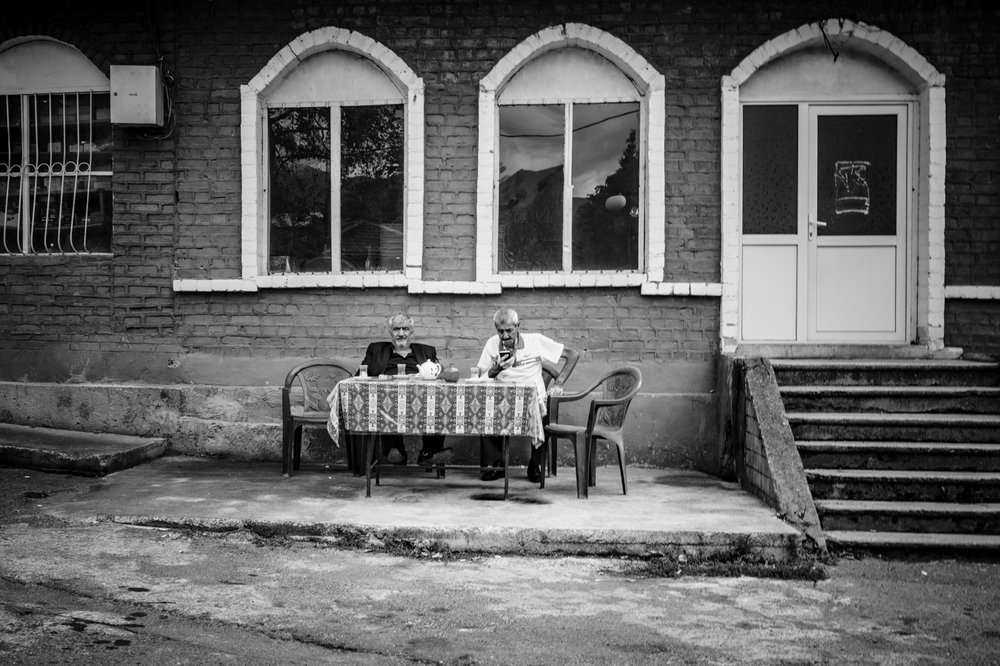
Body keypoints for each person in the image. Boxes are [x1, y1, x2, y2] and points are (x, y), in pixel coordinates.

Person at [476, 308, 569, 482]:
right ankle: (497, 465)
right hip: (502, 400)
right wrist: (496, 369)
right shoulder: (491, 344)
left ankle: (535, 465)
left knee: (541, 410)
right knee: (484, 408)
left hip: (533, 401)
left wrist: (559, 382)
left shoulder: (535, 341)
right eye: (500, 331)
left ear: (518, 326)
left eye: (509, 330)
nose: (504, 336)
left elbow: (572, 355)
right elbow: (480, 376)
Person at [357, 312, 450, 468]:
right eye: (396, 329)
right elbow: (361, 375)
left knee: (438, 399)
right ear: (390, 333)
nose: (401, 333)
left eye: (405, 329)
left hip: (421, 399)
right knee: (382, 401)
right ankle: (396, 450)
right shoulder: (376, 350)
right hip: (389, 399)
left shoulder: (426, 352)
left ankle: (429, 452)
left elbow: (439, 374)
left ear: (412, 333)